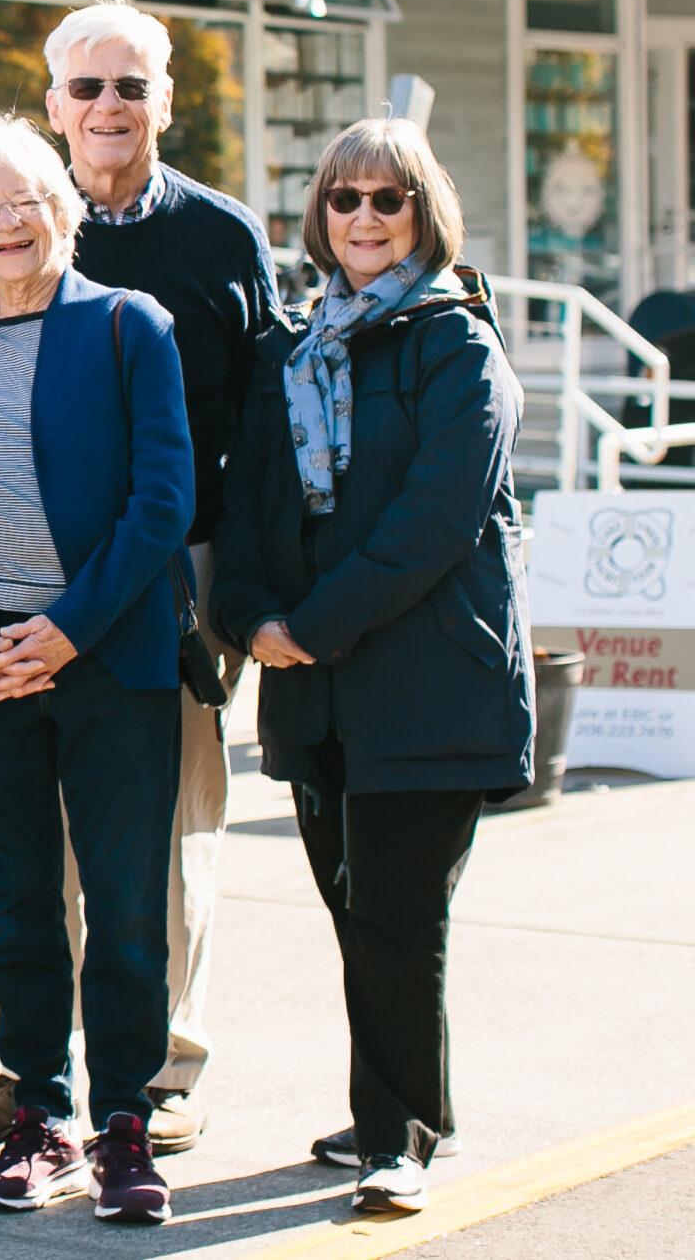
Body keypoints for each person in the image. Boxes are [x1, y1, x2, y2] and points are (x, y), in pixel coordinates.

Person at [0, 0, 279, 1156]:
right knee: (37, 840)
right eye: (84, 88)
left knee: (159, 833)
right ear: (51, 104)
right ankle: (35, 1066)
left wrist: (238, 588)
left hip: (168, 564)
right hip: (22, 575)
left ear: (165, 101)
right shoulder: (10, 226)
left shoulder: (223, 240)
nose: (106, 108)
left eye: (129, 86)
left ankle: (160, 1065)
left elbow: (263, 428)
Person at [211, 118, 529, 1217]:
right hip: (314, 680)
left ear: (422, 211)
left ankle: (398, 1137)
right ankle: (397, 1105)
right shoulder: (289, 348)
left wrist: (314, 624)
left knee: (398, 913)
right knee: (356, 911)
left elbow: (434, 520)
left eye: (385, 199)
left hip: (427, 677)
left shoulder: (456, 344)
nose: (361, 218)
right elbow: (248, 499)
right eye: (342, 198)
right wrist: (248, 613)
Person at [0, 118, 195, 1227]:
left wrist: (65, 630)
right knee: (17, 909)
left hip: (108, 663)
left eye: (26, 201)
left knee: (120, 909)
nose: (8, 223)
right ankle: (41, 1115)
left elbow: (161, 501)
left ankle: (122, 1122)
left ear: (61, 211)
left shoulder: (128, 327)